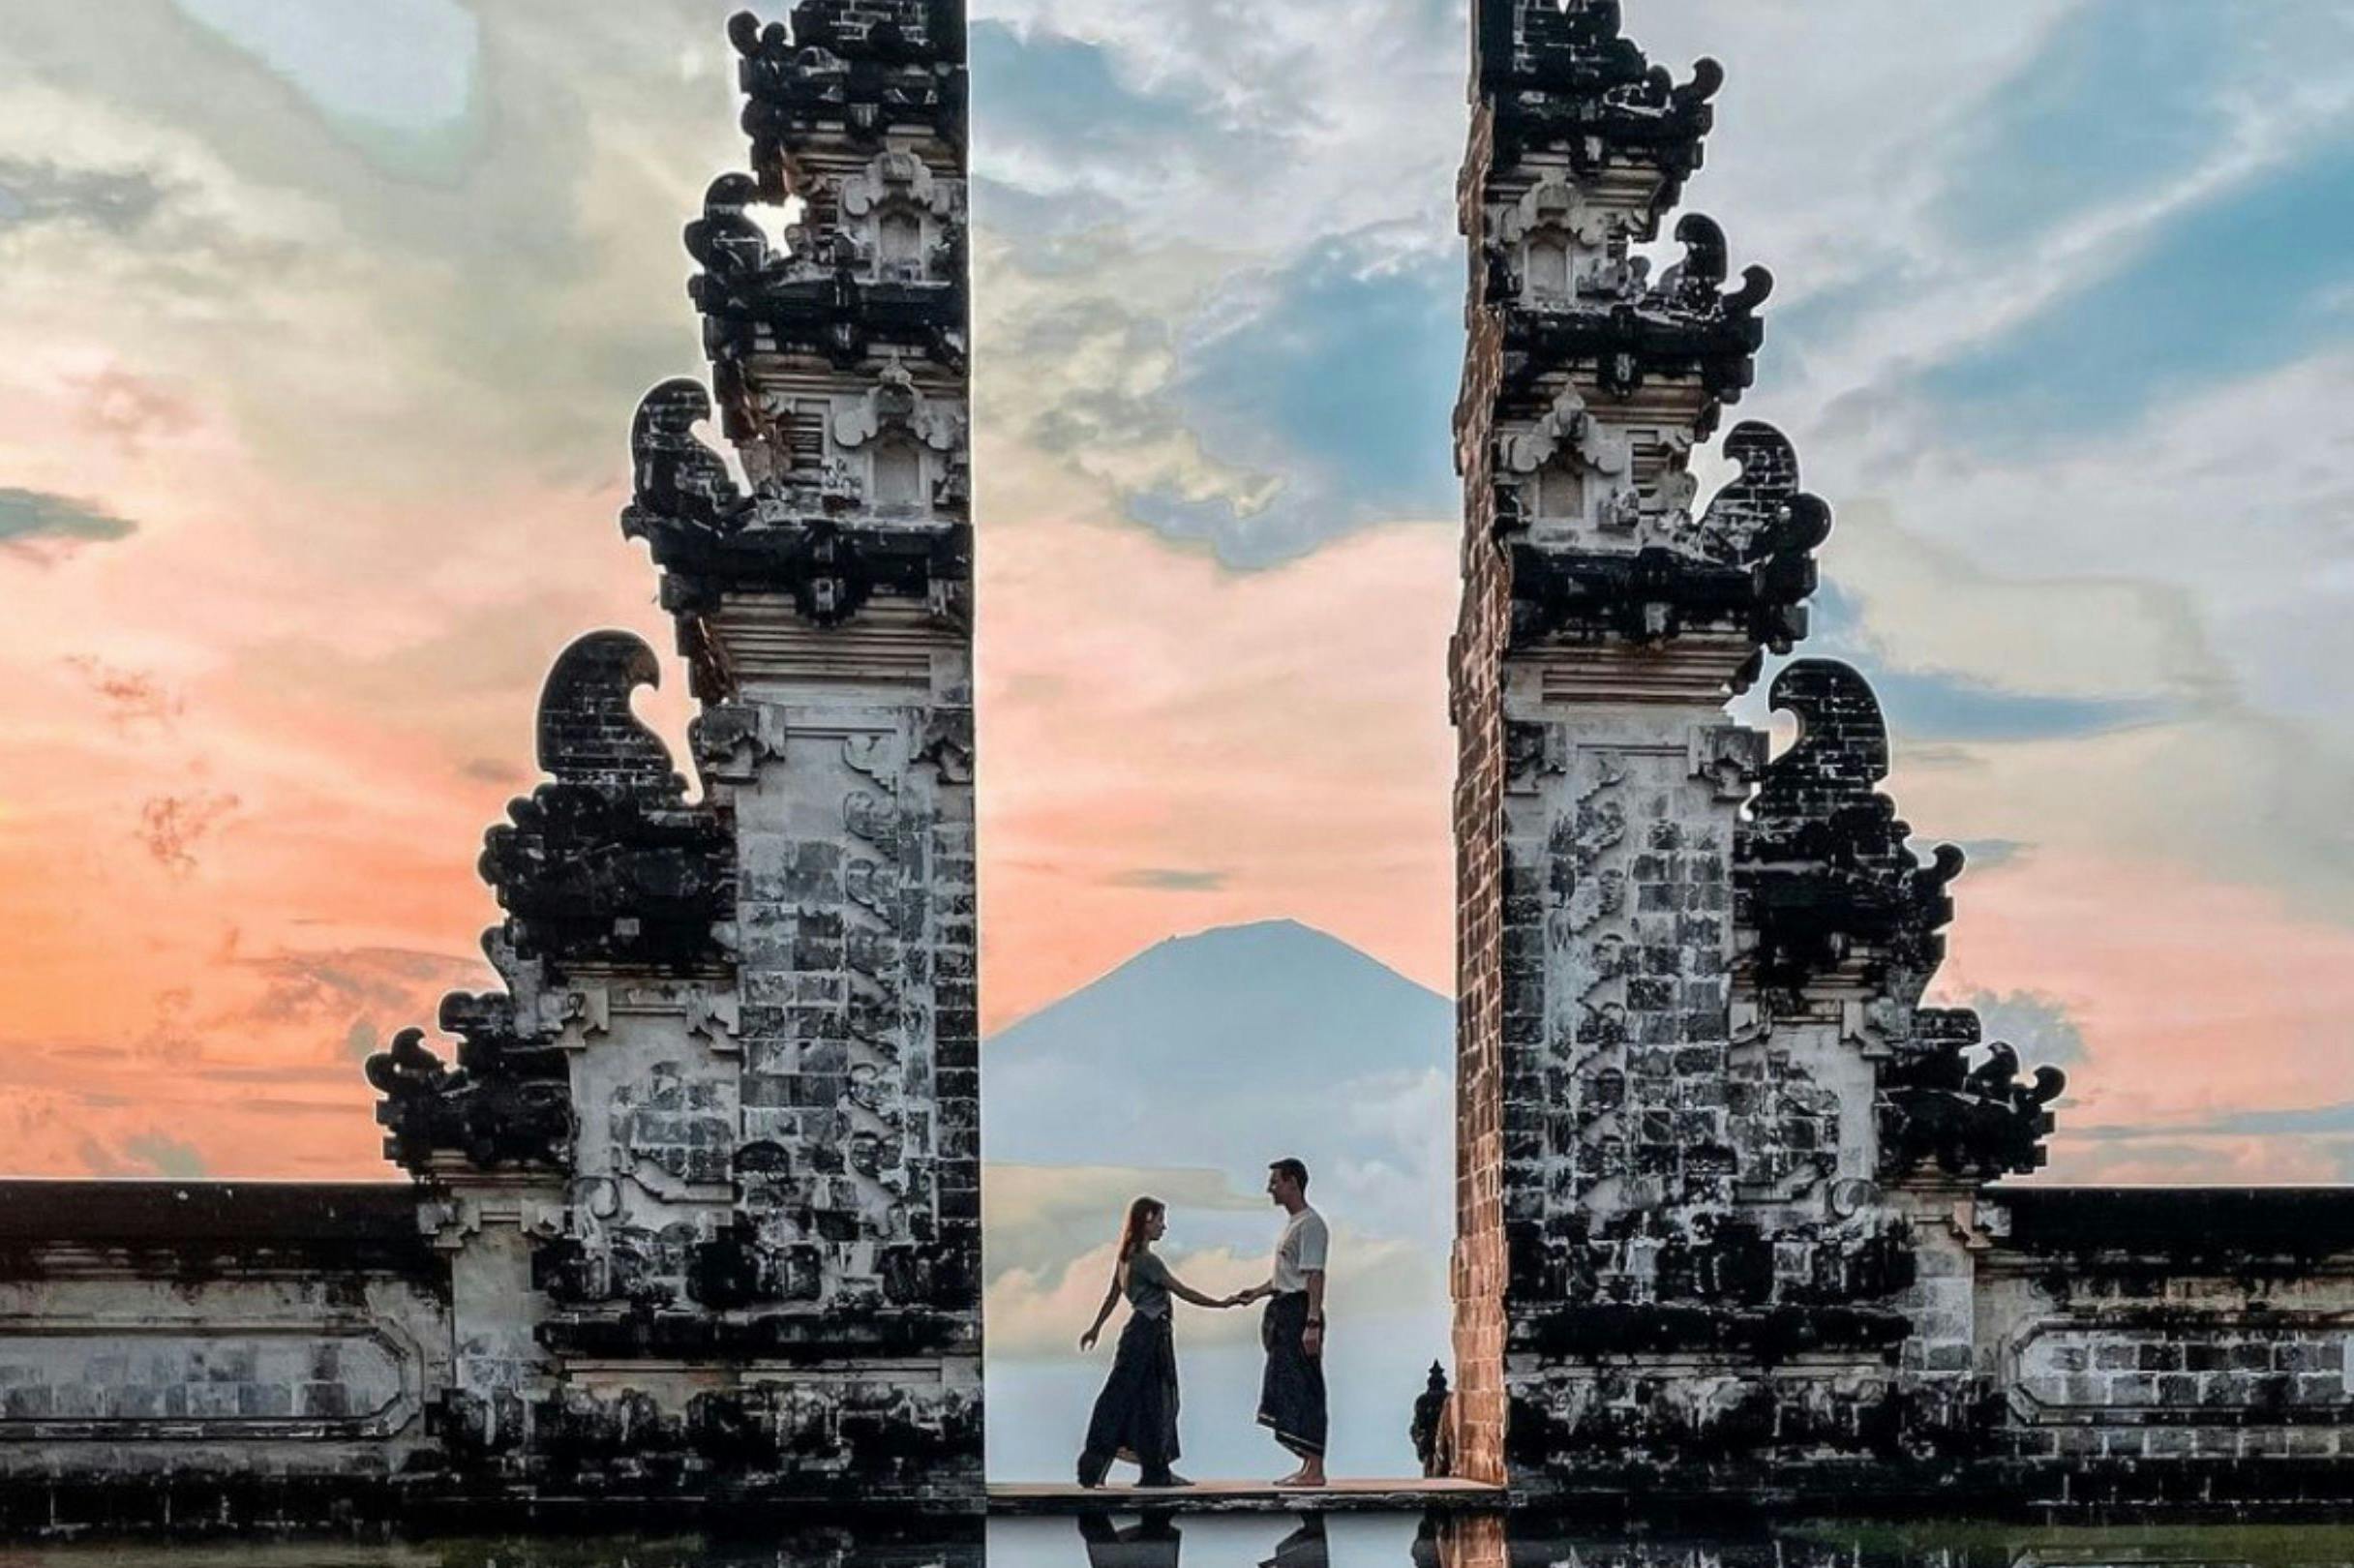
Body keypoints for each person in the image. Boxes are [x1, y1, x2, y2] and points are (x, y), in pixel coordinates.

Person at [1076, 1195, 1236, 1489]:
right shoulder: (1145, 1260)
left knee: (1134, 1400)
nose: (1164, 1226)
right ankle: (1150, 1470)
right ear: (1147, 1219)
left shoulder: (1125, 1257)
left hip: (1139, 1333)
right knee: (1156, 1402)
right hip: (1149, 1334)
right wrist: (1221, 1303)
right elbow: (1181, 1290)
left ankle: (1146, 1469)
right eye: (1160, 1219)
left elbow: (1113, 1296)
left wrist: (1096, 1327)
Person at [1225, 1157, 1329, 1487]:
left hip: (1299, 1312)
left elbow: (1314, 1275)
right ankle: (1306, 1465)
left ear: (1292, 1183)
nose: (1270, 1188)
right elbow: (1284, 1277)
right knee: (1286, 1387)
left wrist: (1311, 1323)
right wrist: (1254, 1293)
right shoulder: (1293, 1224)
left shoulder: (1311, 1224)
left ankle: (1315, 1468)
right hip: (1284, 1310)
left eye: (1275, 1181)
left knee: (1306, 1386)